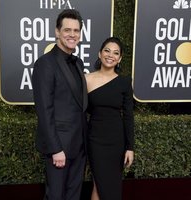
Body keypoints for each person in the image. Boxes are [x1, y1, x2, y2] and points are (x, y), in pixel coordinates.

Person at [32, 9, 88, 200]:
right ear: (57, 32)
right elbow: (44, 110)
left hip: (80, 145)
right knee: (55, 196)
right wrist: (56, 149)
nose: (72, 35)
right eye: (67, 30)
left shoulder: (78, 63)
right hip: (59, 147)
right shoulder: (45, 64)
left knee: (74, 195)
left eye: (76, 30)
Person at [85, 37, 134, 200]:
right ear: (99, 54)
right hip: (95, 139)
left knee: (109, 185)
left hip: (116, 142)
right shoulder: (86, 79)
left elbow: (128, 116)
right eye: (107, 50)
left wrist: (130, 147)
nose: (110, 55)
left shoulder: (125, 82)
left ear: (119, 59)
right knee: (98, 182)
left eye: (116, 53)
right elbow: (79, 111)